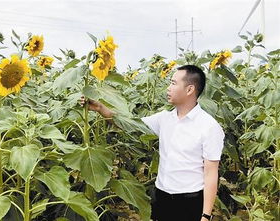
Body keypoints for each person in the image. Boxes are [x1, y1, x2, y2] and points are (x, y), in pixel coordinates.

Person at [80, 65, 225, 221]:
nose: (168, 88)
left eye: (173, 83)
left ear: (189, 89)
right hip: (161, 196)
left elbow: (211, 174)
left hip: (189, 201)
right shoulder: (164, 118)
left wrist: (205, 216)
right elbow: (128, 124)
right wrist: (101, 108)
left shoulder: (209, 127)